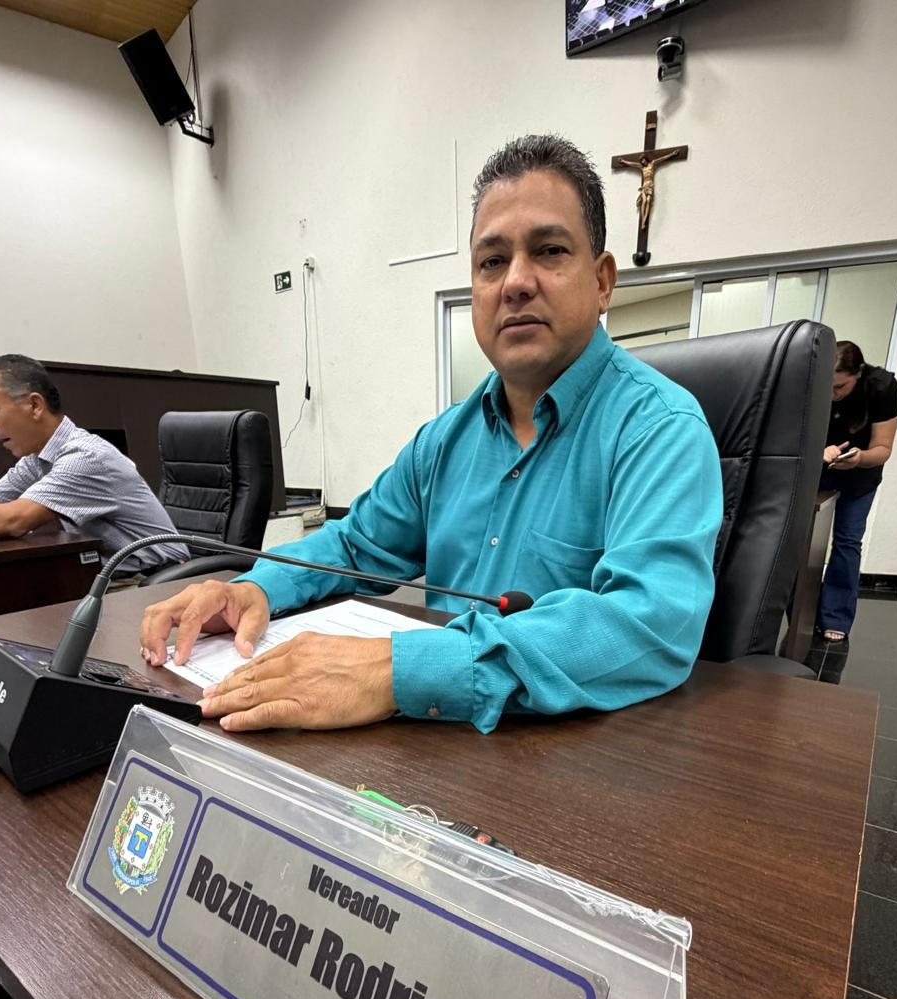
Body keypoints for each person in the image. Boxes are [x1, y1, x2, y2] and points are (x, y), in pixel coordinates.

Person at [140, 134, 723, 734]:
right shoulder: (444, 441)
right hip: (429, 744)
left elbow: (648, 625)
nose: (515, 282)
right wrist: (256, 590)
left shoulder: (660, 430)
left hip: (571, 758)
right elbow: (354, 546)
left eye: (549, 251)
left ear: (602, 281)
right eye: (492, 261)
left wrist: (396, 671)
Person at [0, 355, 190, 575]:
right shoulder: (37, 458)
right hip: (109, 575)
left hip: (155, 579)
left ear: (35, 405)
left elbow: (13, 519)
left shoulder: (85, 457)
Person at [817, 340, 897, 642]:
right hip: (819, 466)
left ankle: (835, 616)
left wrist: (859, 458)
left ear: (859, 373)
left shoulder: (882, 388)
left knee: (847, 541)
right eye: (827, 387)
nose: (832, 395)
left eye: (840, 387)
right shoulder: (812, 380)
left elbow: (883, 448)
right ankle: (800, 612)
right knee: (803, 540)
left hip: (860, 470)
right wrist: (819, 451)